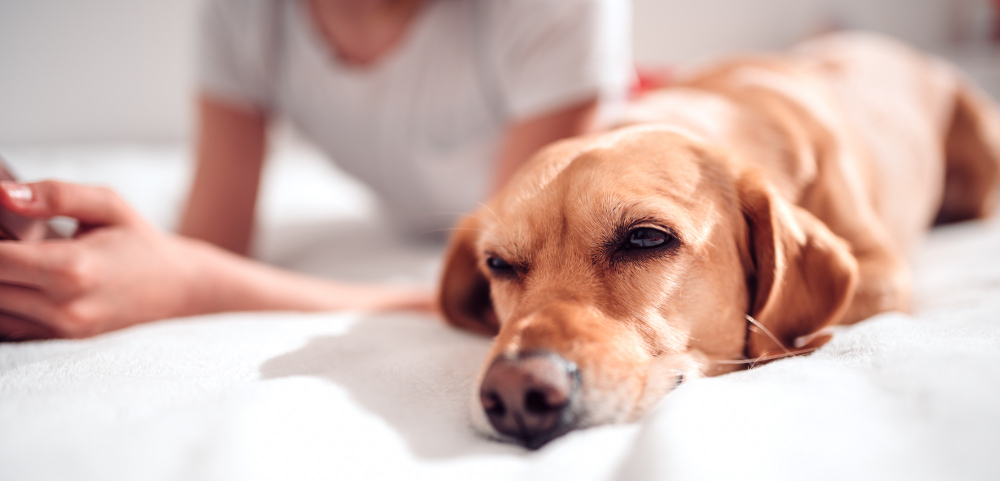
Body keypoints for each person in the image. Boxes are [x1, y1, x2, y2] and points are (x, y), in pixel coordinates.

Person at [0, 0, 632, 340]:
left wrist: (194, 284)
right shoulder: (245, 15)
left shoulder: (555, 8)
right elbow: (211, 244)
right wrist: (57, 255)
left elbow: (502, 290)